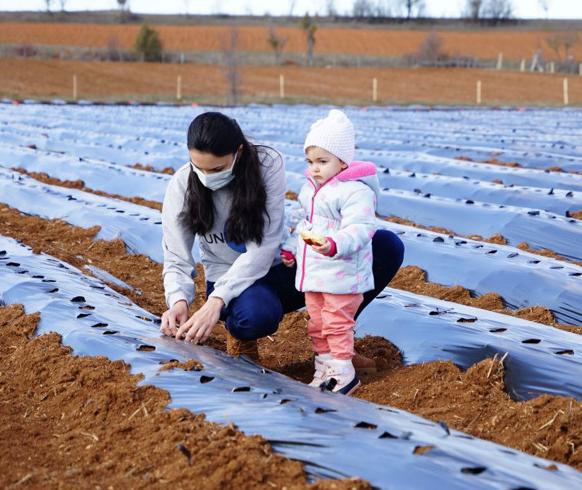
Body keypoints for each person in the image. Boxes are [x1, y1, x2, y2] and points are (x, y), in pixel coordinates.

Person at [159, 110, 404, 371]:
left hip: (280, 267)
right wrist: (179, 301)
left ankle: (336, 345)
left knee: (385, 246)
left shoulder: (265, 164)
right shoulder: (182, 185)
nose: (207, 177)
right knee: (256, 316)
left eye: (217, 169)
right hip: (230, 280)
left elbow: (263, 247)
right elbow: (176, 256)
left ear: (238, 152)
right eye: (199, 167)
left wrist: (215, 302)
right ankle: (243, 339)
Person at [280, 109, 377, 395]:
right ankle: (324, 368)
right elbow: (301, 223)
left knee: (337, 324)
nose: (315, 168)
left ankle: (344, 372)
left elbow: (360, 229)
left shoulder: (355, 191)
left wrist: (334, 244)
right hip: (315, 274)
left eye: (322, 161)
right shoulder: (310, 189)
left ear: (343, 161)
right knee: (317, 324)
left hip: (342, 273)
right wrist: (291, 250)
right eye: (310, 162)